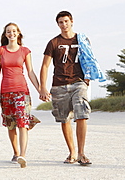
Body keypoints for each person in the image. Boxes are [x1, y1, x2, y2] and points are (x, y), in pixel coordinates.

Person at [39, 11, 92, 166]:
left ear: (72, 21)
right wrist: (43, 87)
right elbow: (45, 65)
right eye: (61, 22)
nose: (64, 24)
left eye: (66, 21)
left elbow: (89, 58)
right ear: (58, 24)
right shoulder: (53, 42)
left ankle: (82, 153)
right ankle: (72, 152)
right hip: (59, 84)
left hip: (78, 82)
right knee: (64, 119)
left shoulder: (82, 39)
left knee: (82, 114)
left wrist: (88, 75)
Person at [0, 22, 40, 168]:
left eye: (14, 31)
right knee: (11, 125)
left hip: (22, 91)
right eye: (8, 31)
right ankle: (16, 152)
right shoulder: (1, 51)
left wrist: (40, 89)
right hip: (6, 91)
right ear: (5, 35)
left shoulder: (25, 51)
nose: (11, 33)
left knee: (22, 123)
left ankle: (23, 155)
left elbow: (30, 72)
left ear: (18, 33)